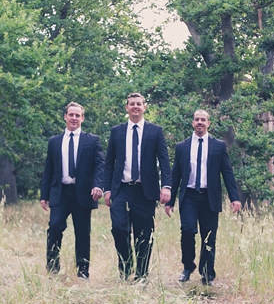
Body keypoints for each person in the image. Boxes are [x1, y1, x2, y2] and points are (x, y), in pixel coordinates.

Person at [165, 109, 241, 285]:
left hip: (209, 197)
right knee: (187, 230)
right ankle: (187, 266)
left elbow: (227, 173)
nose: (199, 122)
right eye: (196, 120)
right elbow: (175, 175)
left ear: (208, 123)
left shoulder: (219, 146)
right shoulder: (182, 146)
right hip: (189, 196)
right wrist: (170, 201)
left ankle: (207, 274)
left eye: (203, 120)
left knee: (209, 236)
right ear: (192, 123)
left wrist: (234, 198)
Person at [103, 93, 171, 281]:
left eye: (138, 104)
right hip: (121, 189)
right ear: (126, 108)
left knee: (144, 233)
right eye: (132, 104)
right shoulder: (117, 131)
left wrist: (166, 186)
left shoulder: (155, 131)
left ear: (144, 107)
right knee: (118, 227)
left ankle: (141, 274)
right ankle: (125, 268)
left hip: (145, 190)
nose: (135, 107)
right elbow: (109, 162)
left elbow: (164, 160)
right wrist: (107, 188)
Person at [40, 102, 104, 280]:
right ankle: (52, 268)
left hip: (82, 193)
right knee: (54, 227)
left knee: (82, 233)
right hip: (60, 193)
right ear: (65, 117)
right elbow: (49, 170)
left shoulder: (92, 140)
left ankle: (83, 272)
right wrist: (44, 195)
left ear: (82, 118)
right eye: (71, 115)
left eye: (78, 115)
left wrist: (98, 185)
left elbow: (100, 165)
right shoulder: (54, 142)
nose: (74, 118)